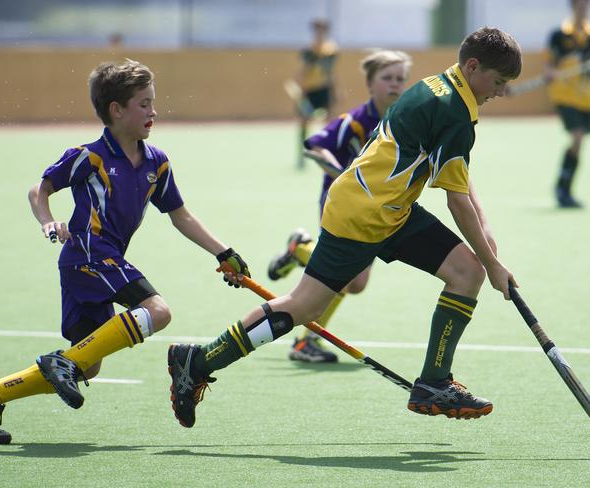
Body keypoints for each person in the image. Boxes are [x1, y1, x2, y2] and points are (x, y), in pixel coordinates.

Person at [167, 27, 522, 429]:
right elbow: (455, 199)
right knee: (304, 306)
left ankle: (434, 382)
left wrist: (486, 248)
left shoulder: (437, 86)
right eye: (497, 82)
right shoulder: (455, 111)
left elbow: (458, 181)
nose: (501, 92)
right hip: (365, 216)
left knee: (466, 271)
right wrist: (494, 264)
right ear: (473, 66)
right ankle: (197, 361)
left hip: (386, 208)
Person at [0, 59, 249, 445]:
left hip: (95, 264)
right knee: (158, 311)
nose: (153, 111)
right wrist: (47, 220)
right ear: (117, 110)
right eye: (144, 104)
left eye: (153, 102)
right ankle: (61, 363)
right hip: (88, 255)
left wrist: (222, 252)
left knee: (88, 366)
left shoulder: (156, 163)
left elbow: (181, 216)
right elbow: (39, 190)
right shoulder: (89, 156)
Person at [268, 49, 412, 363]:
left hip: (376, 212)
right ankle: (306, 343)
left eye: (400, 79)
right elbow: (315, 146)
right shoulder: (355, 121)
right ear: (370, 84)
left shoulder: (405, 120)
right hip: (341, 206)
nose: (395, 85)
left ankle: (300, 249)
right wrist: (345, 175)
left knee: (357, 283)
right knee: (347, 277)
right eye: (386, 78)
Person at [546, 0, 590, 208]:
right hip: (565, 96)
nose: (583, 8)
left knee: (578, 141)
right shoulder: (560, 35)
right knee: (577, 137)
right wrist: (551, 72)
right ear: (572, 6)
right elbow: (549, 67)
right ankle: (563, 188)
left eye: (586, 5)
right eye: (579, 5)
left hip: (586, 99)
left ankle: (564, 187)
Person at [294, 18, 339, 168]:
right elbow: (302, 71)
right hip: (309, 90)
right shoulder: (308, 50)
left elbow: (330, 72)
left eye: (322, 29)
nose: (319, 32)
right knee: (304, 122)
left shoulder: (331, 49)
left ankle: (330, 156)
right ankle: (302, 154)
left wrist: (335, 91)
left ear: (326, 31)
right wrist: (300, 89)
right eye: (316, 29)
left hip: (323, 89)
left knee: (329, 123)